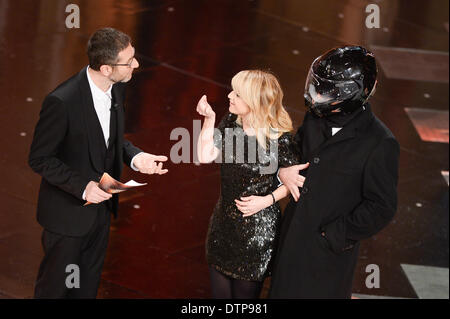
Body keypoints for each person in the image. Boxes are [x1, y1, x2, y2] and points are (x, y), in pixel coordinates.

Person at [28, 27, 168, 298]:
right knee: (55, 291)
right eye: (129, 62)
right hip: (67, 219)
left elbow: (109, 139)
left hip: (101, 215)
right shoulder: (62, 101)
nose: (136, 65)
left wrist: (136, 157)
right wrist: (83, 187)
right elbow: (39, 158)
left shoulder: (116, 88)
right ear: (106, 68)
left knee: (86, 288)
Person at [269, 46, 400, 299]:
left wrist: (334, 235)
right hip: (292, 239)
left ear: (354, 92)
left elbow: (382, 206)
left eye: (328, 90)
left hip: (326, 255)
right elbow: (294, 154)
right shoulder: (314, 119)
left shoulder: (379, 143)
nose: (318, 95)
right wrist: (282, 171)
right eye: (318, 86)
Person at [196, 70, 304, 299]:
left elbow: (292, 181)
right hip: (223, 226)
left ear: (254, 101)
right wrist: (209, 120)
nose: (230, 96)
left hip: (257, 232)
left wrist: (267, 200)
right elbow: (204, 155)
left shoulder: (279, 138)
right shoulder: (231, 123)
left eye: (238, 94)